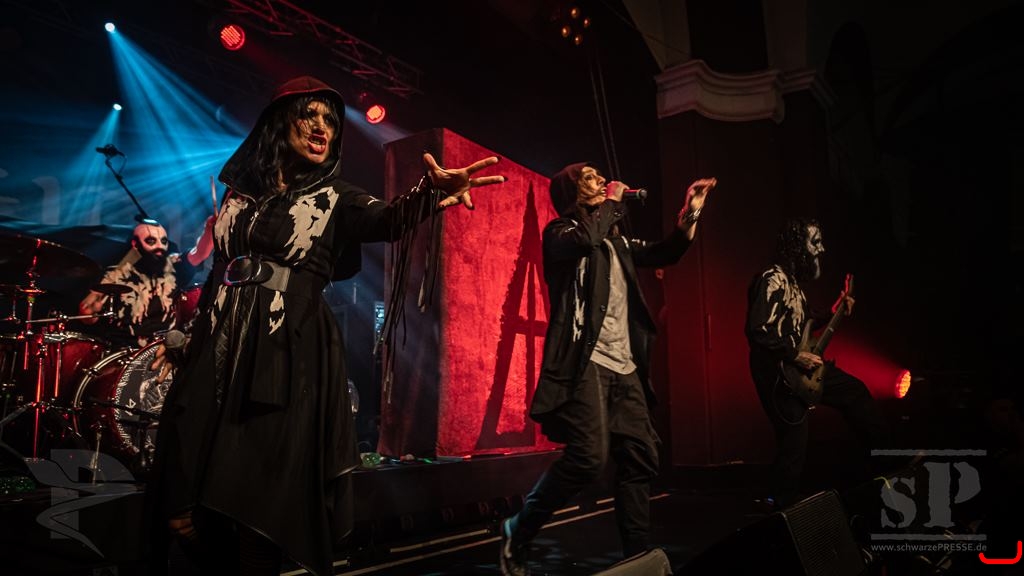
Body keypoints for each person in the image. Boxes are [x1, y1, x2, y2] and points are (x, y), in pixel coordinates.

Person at [147, 75, 504, 576]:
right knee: (186, 487)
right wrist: (187, 333)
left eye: (331, 122)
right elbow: (218, 270)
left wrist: (429, 191)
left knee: (259, 493)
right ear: (278, 123)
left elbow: (388, 219)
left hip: (285, 348)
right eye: (309, 115)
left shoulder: (336, 196)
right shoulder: (237, 195)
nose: (322, 128)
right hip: (220, 339)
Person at [499, 162, 716, 575]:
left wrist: (690, 213)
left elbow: (666, 252)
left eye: (602, 178)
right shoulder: (560, 233)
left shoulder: (617, 242)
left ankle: (637, 560)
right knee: (587, 457)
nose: (602, 181)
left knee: (640, 456)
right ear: (572, 192)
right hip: (586, 363)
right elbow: (586, 238)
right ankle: (520, 527)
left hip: (625, 365)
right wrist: (614, 202)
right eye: (591, 178)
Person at [745, 217, 889, 509]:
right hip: (779, 374)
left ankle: (888, 460)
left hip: (798, 368)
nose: (821, 249)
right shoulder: (773, 278)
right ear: (797, 246)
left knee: (854, 392)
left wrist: (836, 310)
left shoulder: (795, 285)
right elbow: (757, 329)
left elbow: (805, 324)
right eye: (815, 242)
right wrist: (794, 355)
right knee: (794, 440)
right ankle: (779, 508)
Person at [78, 217, 215, 348]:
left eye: (164, 241)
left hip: (164, 350)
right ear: (135, 244)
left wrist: (210, 229)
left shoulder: (173, 266)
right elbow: (87, 317)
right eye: (151, 241)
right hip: (124, 350)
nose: (159, 246)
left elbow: (200, 253)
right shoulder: (115, 275)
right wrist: (91, 312)